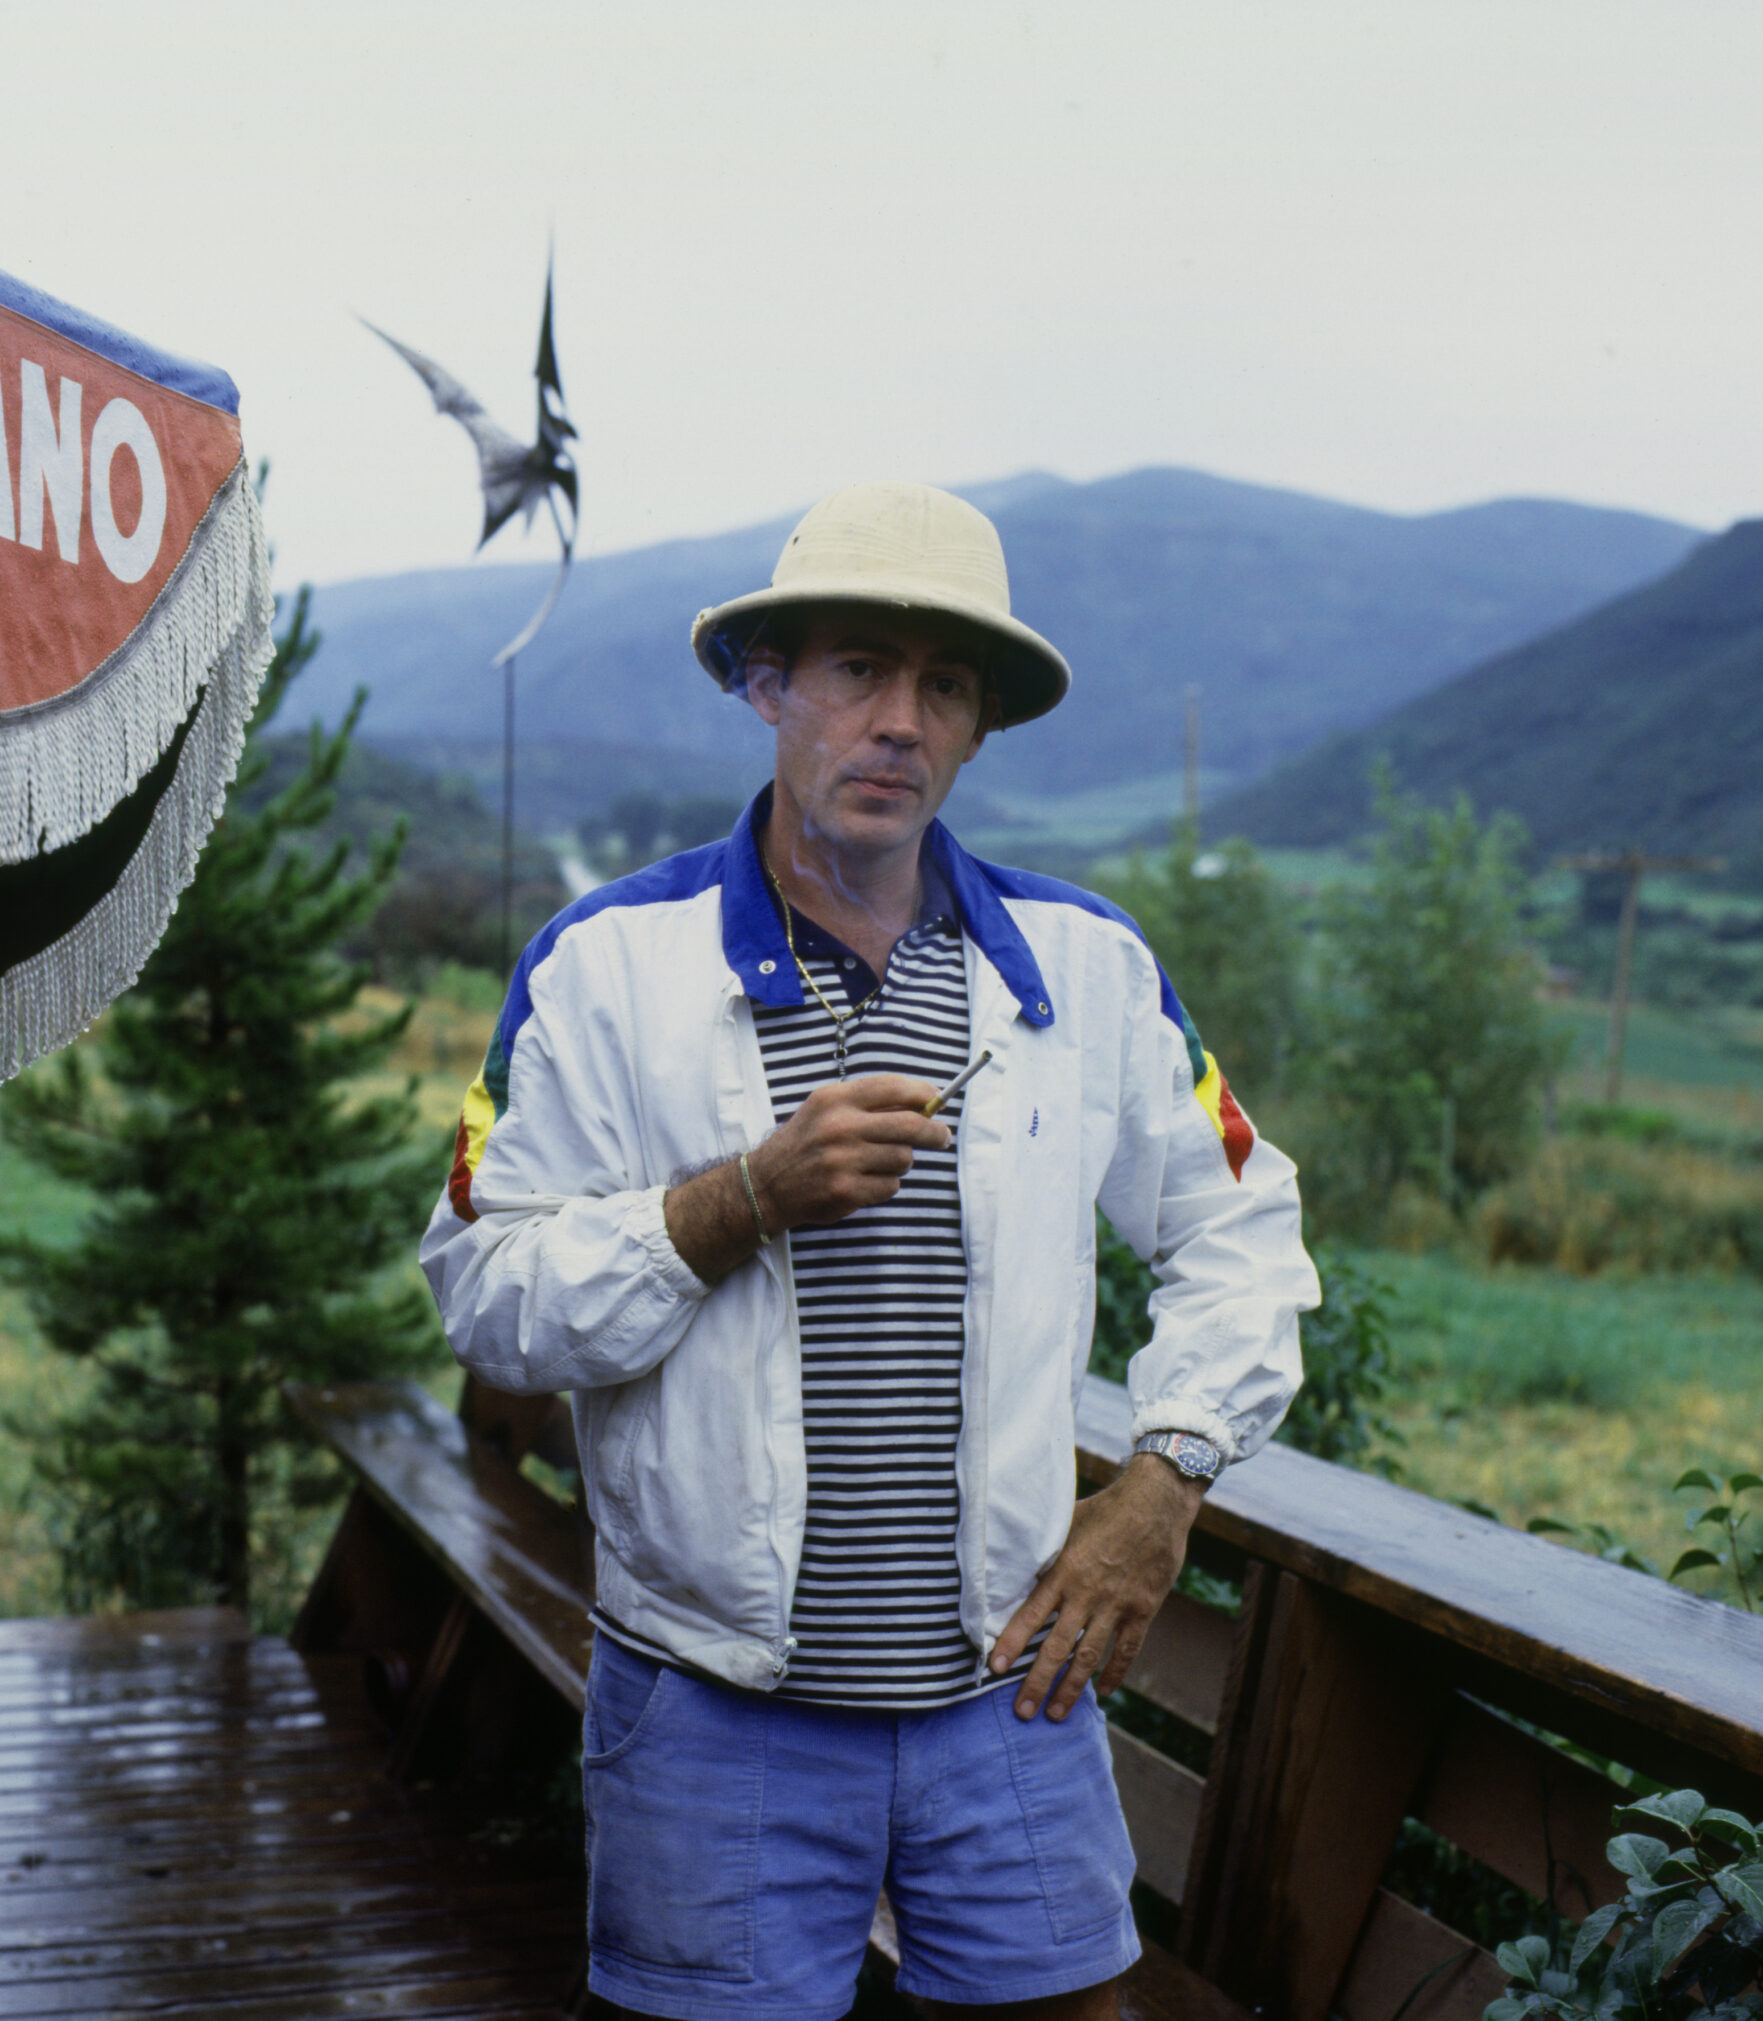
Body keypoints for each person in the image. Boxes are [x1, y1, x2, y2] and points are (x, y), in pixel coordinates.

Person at [421, 481, 1317, 2021]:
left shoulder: (1089, 974)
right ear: (766, 686)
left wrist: (1164, 1483)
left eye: (944, 684)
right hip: (711, 1707)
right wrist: (734, 1201)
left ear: (977, 730)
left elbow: (1244, 1226)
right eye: (856, 670)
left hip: (1010, 1689)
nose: (899, 720)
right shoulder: (604, 970)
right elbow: (481, 1290)